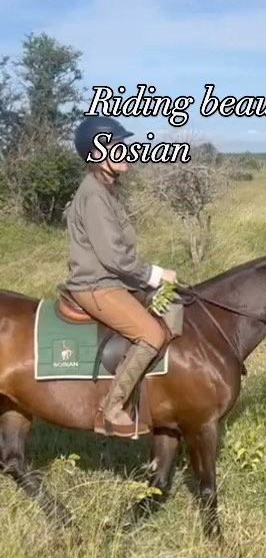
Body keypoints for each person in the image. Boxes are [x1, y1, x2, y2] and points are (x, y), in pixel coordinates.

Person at [63, 114, 177, 439]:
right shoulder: (95, 196)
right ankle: (111, 409)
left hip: (113, 281)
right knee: (152, 334)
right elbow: (113, 257)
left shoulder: (106, 190)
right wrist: (154, 274)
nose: (126, 151)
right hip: (97, 286)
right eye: (117, 147)